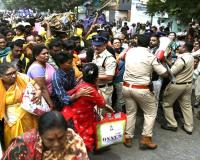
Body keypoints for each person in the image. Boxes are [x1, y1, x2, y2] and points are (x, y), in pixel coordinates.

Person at [122, 34, 168, 149]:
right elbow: (164, 73)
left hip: (127, 87)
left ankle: (128, 138)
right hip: (141, 89)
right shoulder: (150, 56)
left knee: (131, 113)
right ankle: (146, 139)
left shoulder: (130, 52)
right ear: (149, 43)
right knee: (150, 113)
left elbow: (122, 57)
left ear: (137, 42)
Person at [2, 111, 89, 160]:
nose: (56, 144)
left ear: (66, 132)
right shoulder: (23, 145)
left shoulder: (74, 141)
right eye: (50, 140)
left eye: (61, 138)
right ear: (40, 134)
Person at [61, 63, 105, 152]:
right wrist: (98, 88)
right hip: (79, 120)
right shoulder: (91, 90)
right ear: (96, 78)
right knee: (81, 144)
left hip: (67, 115)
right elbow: (102, 104)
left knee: (70, 144)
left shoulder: (80, 83)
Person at [0, 62, 41, 148]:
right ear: (1, 76)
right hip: (11, 120)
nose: (14, 76)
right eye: (9, 74)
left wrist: (38, 92)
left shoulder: (21, 77)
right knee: (17, 145)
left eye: (14, 72)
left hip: (29, 115)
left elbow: (36, 86)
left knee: (33, 141)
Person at [161, 41, 194, 135]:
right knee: (186, 106)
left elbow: (171, 72)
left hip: (177, 85)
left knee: (167, 103)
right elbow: (178, 68)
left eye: (180, 46)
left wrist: (164, 65)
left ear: (184, 48)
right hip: (188, 85)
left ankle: (172, 124)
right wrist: (167, 60)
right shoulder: (191, 57)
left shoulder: (182, 59)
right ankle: (189, 127)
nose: (179, 48)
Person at [27, 45, 55, 109]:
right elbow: (42, 89)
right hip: (43, 100)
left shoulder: (46, 64)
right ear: (36, 56)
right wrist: (50, 104)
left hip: (52, 96)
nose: (47, 55)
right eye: (44, 54)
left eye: (47, 53)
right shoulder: (36, 69)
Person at [92, 35, 117, 107]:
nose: (96, 47)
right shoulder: (96, 53)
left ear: (105, 45)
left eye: (99, 45)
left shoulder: (109, 58)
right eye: (94, 45)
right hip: (96, 88)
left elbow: (109, 77)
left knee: (104, 112)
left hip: (104, 89)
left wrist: (92, 76)